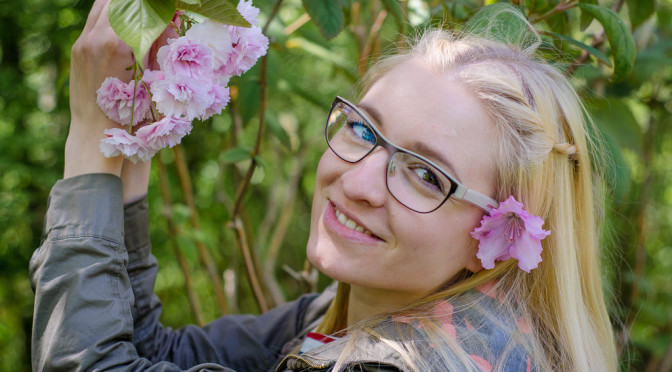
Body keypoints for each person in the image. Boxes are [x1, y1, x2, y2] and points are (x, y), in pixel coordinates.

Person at [30, 0, 618, 371]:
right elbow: (153, 355)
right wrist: (129, 138)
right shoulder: (362, 315)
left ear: (495, 239)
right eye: (364, 130)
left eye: (425, 173)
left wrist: (88, 141)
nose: (357, 181)